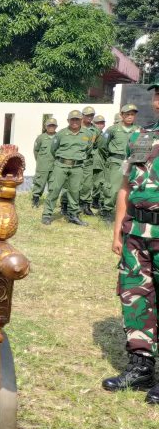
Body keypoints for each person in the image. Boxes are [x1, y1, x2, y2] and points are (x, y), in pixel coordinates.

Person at [105, 86, 159, 405]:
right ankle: (141, 367)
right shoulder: (141, 136)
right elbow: (125, 186)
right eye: (157, 94)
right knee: (135, 295)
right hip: (135, 231)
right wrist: (117, 232)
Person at [41, 110, 91, 226]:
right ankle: (47, 215)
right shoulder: (61, 134)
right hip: (61, 165)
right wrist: (62, 160)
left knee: (75, 192)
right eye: (72, 119)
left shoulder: (87, 134)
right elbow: (53, 149)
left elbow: (88, 149)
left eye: (77, 119)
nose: (75, 122)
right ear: (68, 121)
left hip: (77, 167)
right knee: (55, 189)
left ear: (81, 120)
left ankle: (73, 215)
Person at [98, 105, 140, 223]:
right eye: (127, 114)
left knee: (131, 188)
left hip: (132, 162)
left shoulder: (138, 129)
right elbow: (102, 146)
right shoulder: (112, 129)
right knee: (113, 189)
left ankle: (127, 213)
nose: (130, 117)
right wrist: (110, 158)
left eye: (132, 114)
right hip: (115, 162)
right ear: (122, 115)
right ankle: (107, 211)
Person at [78, 106, 101, 216]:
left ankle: (85, 205)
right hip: (76, 159)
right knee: (74, 183)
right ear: (82, 115)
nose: (89, 117)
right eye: (87, 115)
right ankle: (70, 204)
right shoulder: (76, 127)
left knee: (87, 184)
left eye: (91, 115)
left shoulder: (95, 130)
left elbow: (98, 144)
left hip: (88, 160)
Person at [31, 117, 59, 208]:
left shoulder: (59, 137)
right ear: (46, 126)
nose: (51, 127)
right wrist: (40, 161)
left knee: (53, 185)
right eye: (49, 125)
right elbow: (36, 151)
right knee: (39, 183)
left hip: (55, 165)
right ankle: (35, 200)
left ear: (56, 126)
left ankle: (50, 203)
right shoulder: (41, 138)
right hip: (42, 165)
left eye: (53, 125)